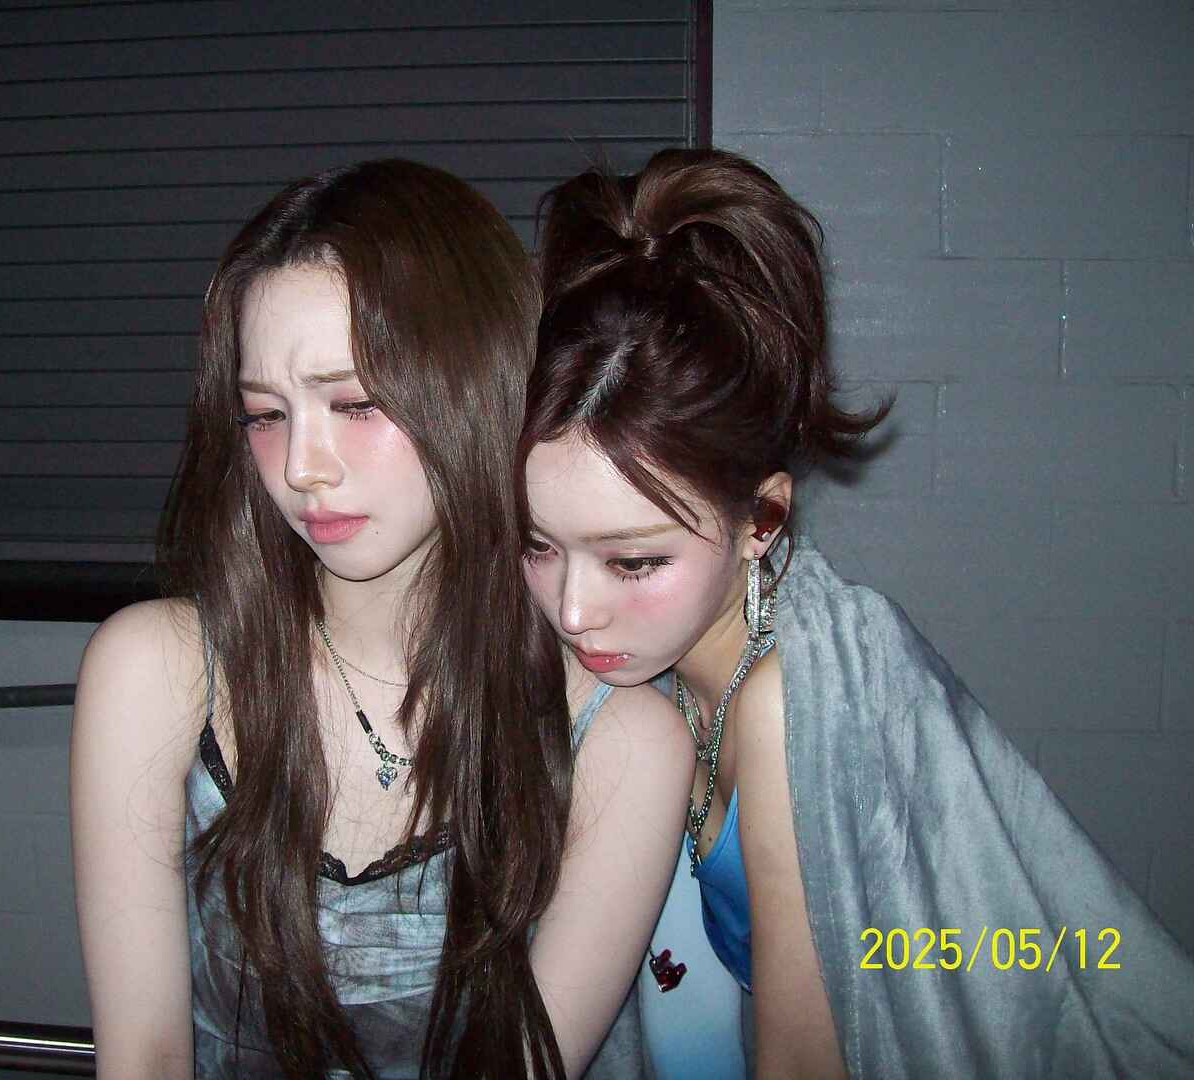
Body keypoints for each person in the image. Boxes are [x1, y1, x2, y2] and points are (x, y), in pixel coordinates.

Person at [516, 147, 1194, 1079]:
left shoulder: (795, 696)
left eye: (634, 561)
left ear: (762, 519)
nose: (573, 608)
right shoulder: (647, 666)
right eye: (538, 544)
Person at [70, 158, 691, 1079]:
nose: (303, 466)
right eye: (265, 414)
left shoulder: (618, 740)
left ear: (475, 384)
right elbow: (144, 1057)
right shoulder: (157, 670)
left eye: (355, 404)